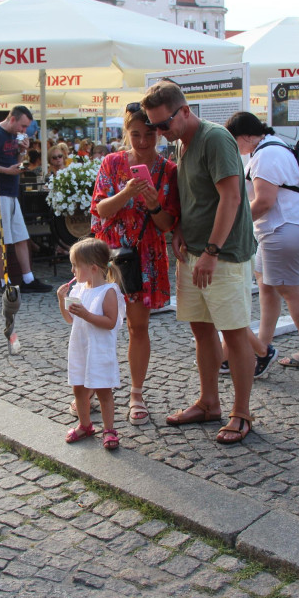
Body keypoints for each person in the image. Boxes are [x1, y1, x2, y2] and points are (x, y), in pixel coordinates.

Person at [142, 80, 257, 445]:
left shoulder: (215, 139)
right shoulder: (181, 141)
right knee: (201, 328)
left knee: (234, 331)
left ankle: (242, 413)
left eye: (163, 125)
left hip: (222, 255)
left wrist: (210, 251)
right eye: (154, 126)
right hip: (193, 251)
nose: (159, 133)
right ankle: (209, 402)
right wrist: (179, 229)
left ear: (185, 111)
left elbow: (232, 198)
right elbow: (195, 197)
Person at [91, 102, 179, 425]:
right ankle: (94, 388)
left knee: (137, 327)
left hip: (145, 257)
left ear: (158, 132)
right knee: (98, 325)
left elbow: (168, 225)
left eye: (150, 134)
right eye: (136, 134)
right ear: (126, 133)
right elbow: (100, 210)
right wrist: (127, 193)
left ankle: (136, 393)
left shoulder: (168, 170)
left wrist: (155, 204)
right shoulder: (112, 163)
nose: (143, 142)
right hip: (109, 257)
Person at [225, 112, 299, 370]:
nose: (236, 148)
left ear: (247, 136)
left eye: (235, 141)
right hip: (289, 226)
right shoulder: (273, 146)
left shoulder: (266, 154)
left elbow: (265, 202)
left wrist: (233, 224)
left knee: (290, 290)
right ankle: (262, 347)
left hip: (286, 227)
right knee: (268, 285)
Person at [56, 238, 126, 450]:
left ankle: (109, 429)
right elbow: (70, 319)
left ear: (93, 268)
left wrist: (86, 314)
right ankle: (85, 425)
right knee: (79, 388)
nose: (72, 270)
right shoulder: (78, 289)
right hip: (80, 348)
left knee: (103, 391)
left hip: (100, 350)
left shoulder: (108, 292)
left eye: (76, 265)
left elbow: (110, 322)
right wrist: (62, 301)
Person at [0, 106, 53, 293]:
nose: (24, 131)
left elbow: (15, 163)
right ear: (12, 120)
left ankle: (28, 279)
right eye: (23, 126)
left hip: (10, 192)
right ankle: (5, 283)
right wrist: (6, 170)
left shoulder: (14, 136)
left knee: (20, 237)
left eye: (26, 128)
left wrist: (23, 152)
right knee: (1, 240)